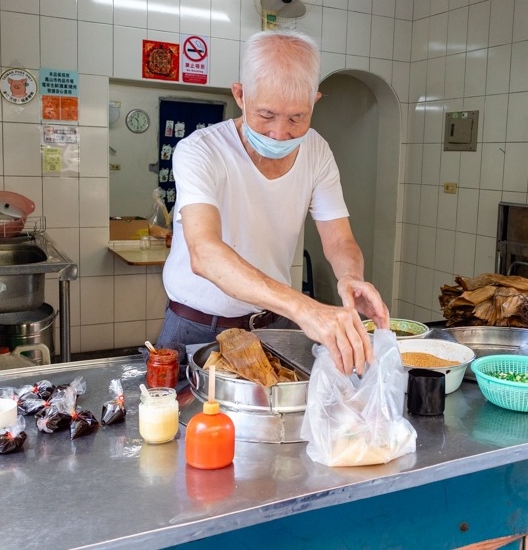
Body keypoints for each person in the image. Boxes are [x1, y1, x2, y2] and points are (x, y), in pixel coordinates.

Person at [158, 29, 389, 375]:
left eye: (297, 117)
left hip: (273, 324)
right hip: (197, 326)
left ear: (315, 101)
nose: (280, 133)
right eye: (266, 115)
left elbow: (340, 239)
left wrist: (350, 276)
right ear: (240, 94)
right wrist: (305, 308)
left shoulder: (316, 151)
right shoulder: (200, 150)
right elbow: (204, 253)